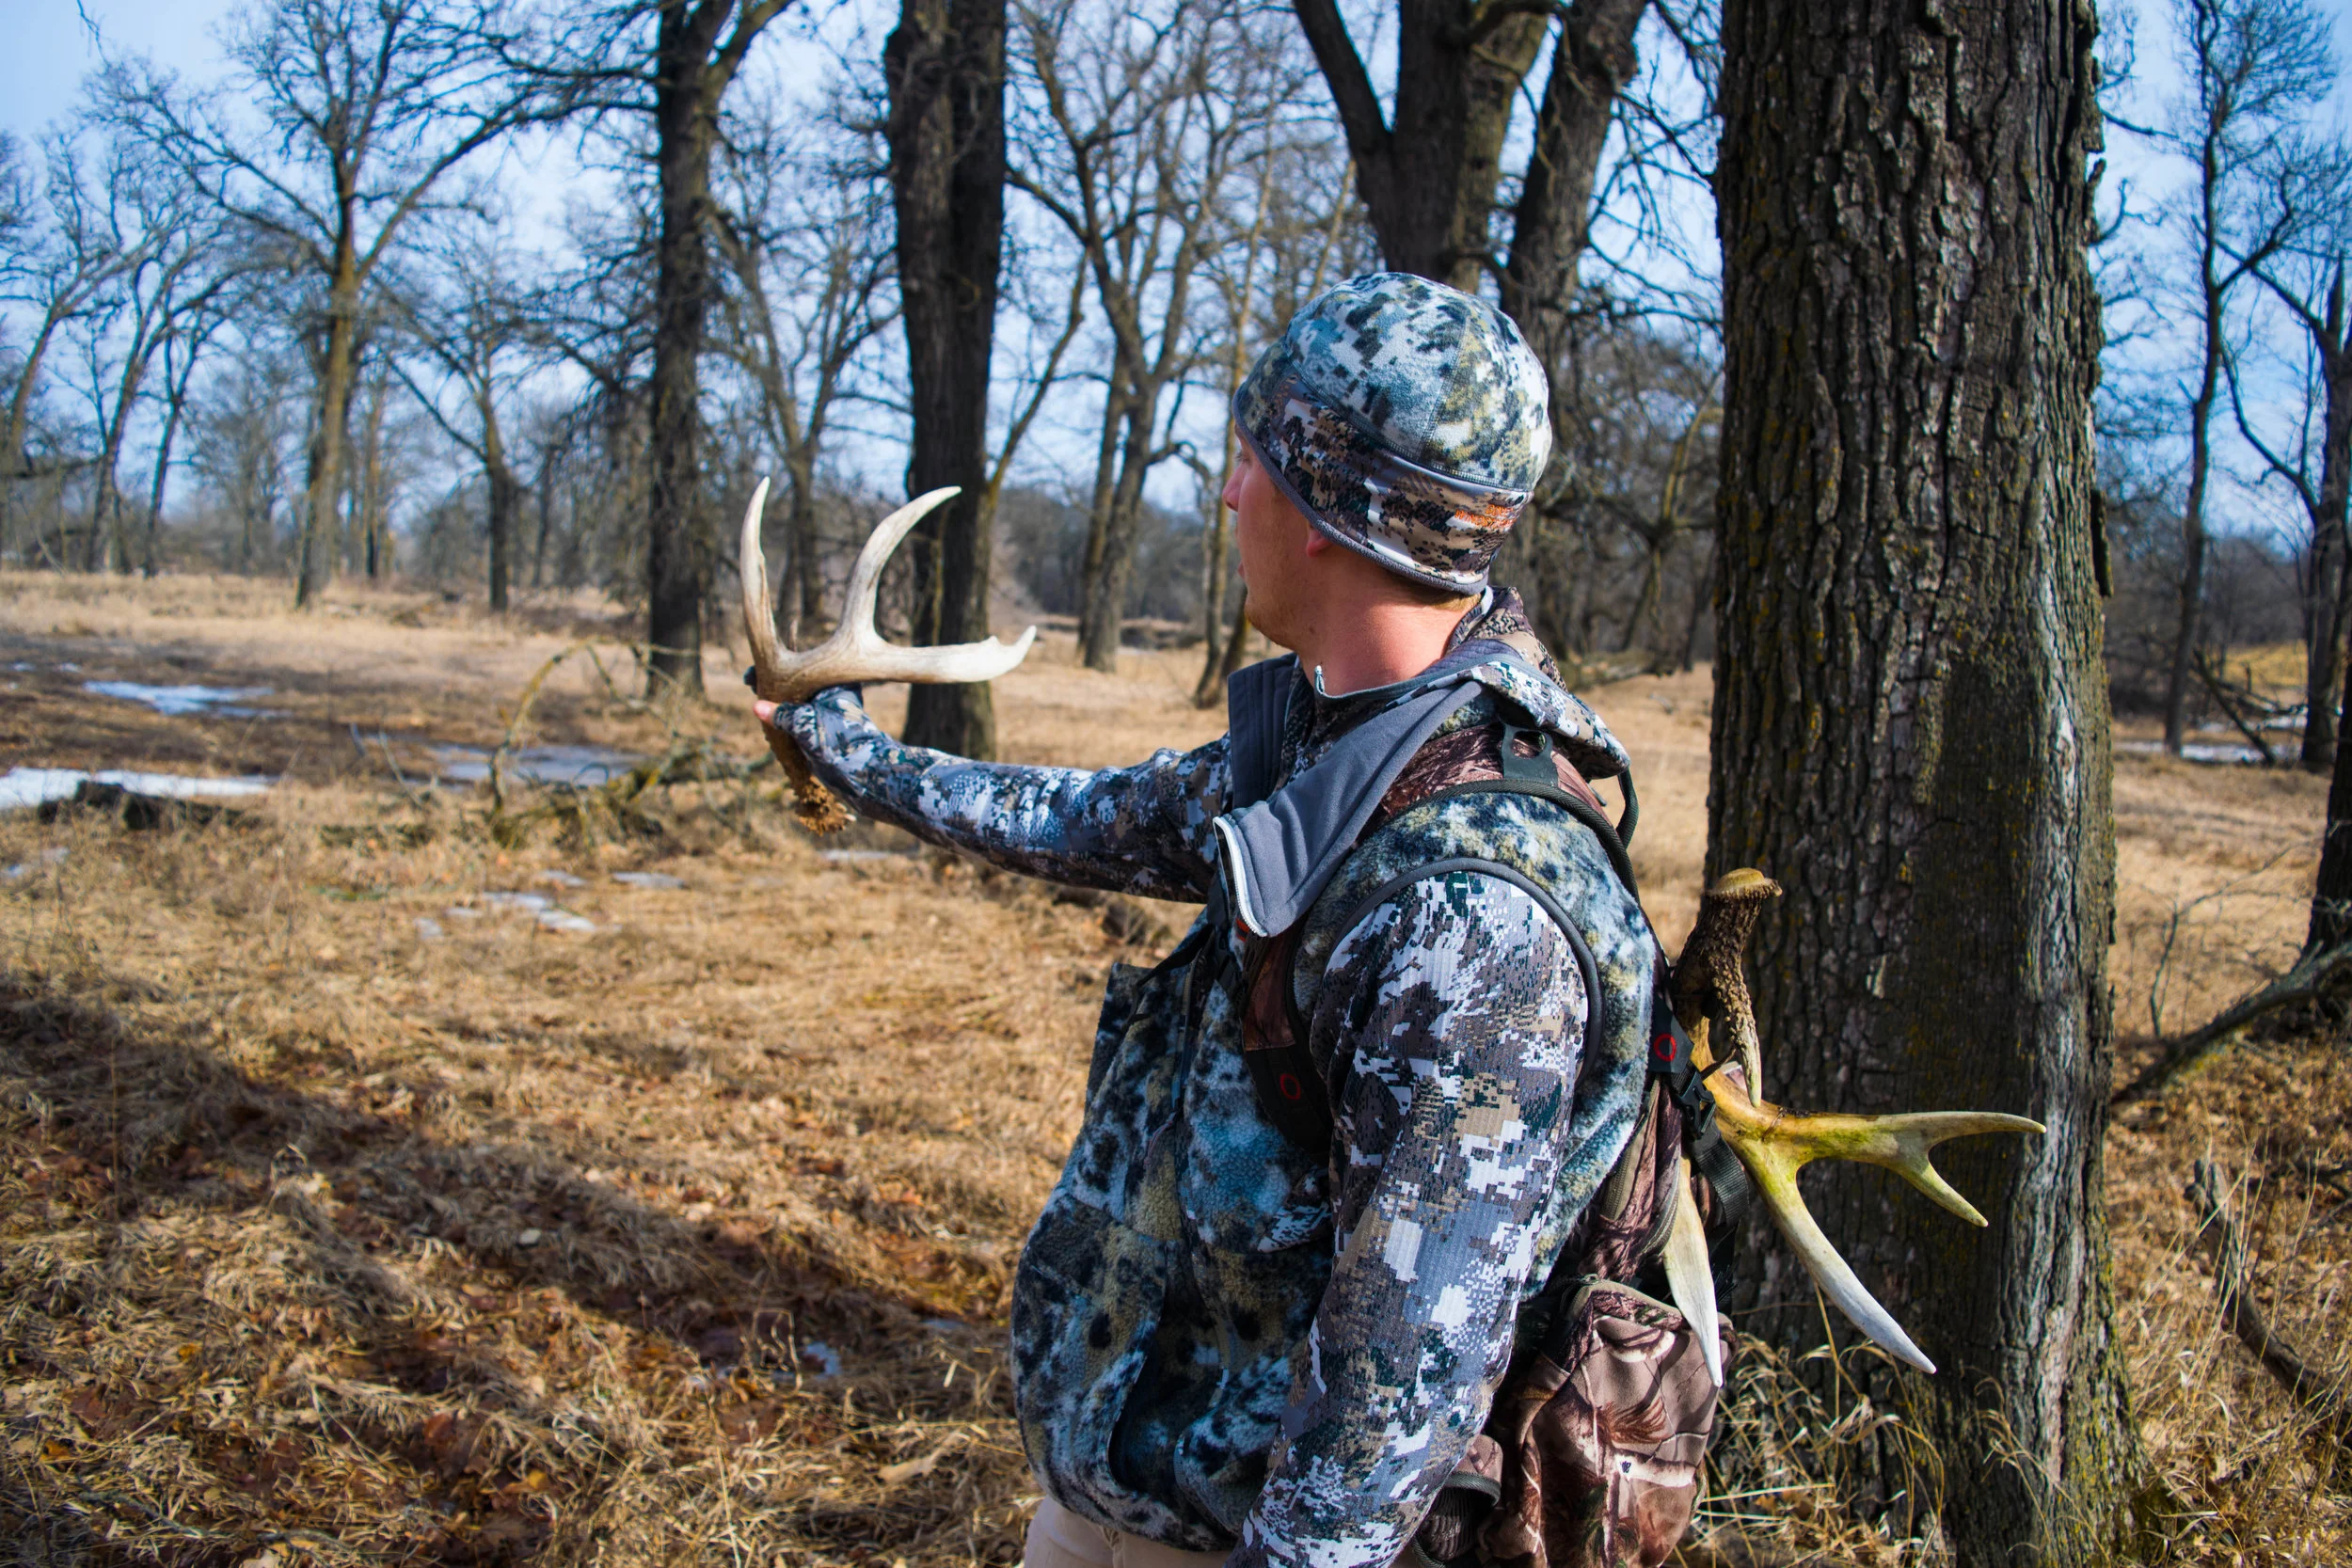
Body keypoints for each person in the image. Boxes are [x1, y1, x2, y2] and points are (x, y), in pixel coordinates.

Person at [755, 273, 1658, 1568]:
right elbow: (1074, 816)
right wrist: (838, 750)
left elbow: (1387, 1424)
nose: (1228, 495)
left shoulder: (1477, 925)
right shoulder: (1328, 751)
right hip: (1130, 1491)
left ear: (1325, 512)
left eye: (1250, 462)